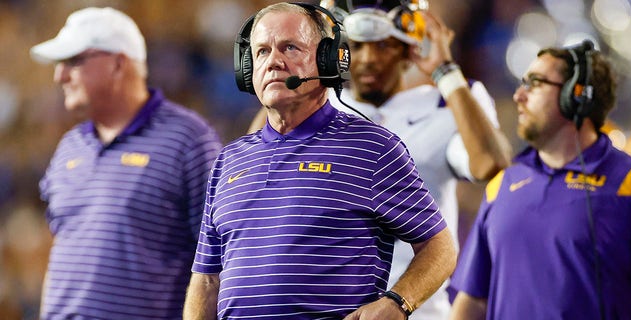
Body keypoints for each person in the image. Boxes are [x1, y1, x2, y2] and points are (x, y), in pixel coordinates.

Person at [183, 3, 457, 319]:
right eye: (261, 52)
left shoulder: (372, 147)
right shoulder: (229, 160)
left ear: (329, 59)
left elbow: (440, 247)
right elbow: (206, 279)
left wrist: (398, 302)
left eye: (289, 47)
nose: (273, 61)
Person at [248, 1, 512, 318]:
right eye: (356, 46)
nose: (369, 59)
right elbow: (258, 164)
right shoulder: (317, 103)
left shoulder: (446, 103)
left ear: (407, 47)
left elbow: (491, 164)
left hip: (417, 309)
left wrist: (446, 71)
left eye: (383, 45)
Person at [30, 7, 222, 319]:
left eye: (73, 61)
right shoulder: (70, 146)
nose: (60, 75)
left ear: (118, 63)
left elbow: (218, 259)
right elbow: (62, 252)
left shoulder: (189, 141)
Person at [449, 41, 631, 319]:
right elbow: (473, 300)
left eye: (535, 83)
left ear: (576, 96)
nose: (518, 96)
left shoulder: (630, 185)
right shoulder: (501, 186)